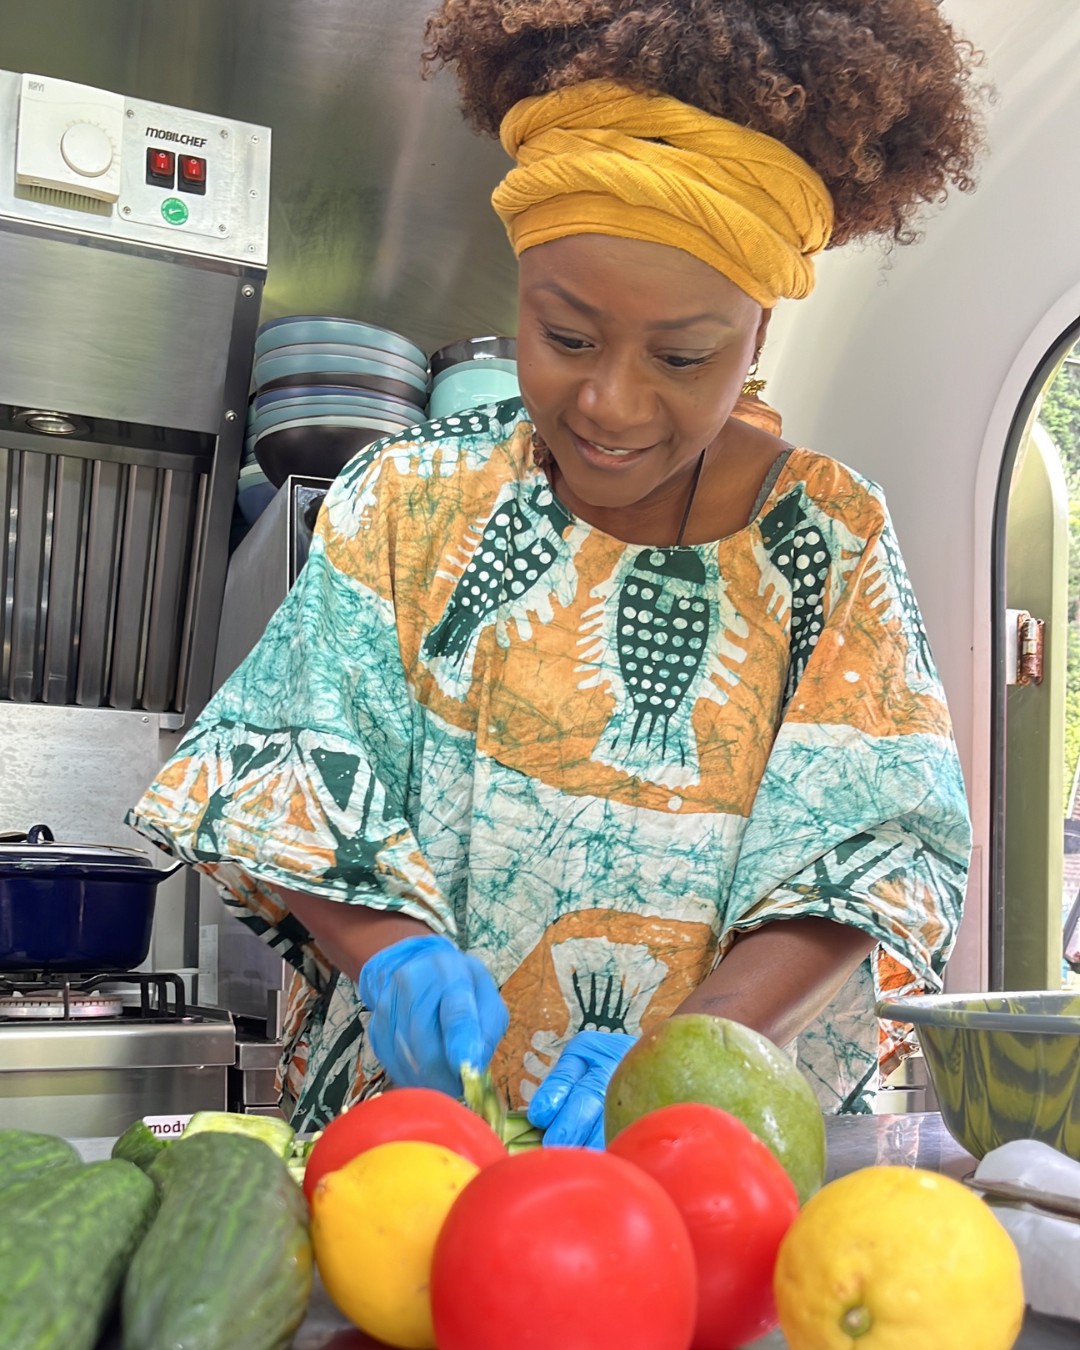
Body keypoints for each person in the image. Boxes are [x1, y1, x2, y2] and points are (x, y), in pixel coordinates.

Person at [128, 0, 984, 1144]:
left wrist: (694, 1049)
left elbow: (868, 863)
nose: (611, 405)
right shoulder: (407, 502)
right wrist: (394, 955)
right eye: (568, 336)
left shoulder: (832, 541)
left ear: (760, 336)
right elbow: (289, 783)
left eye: (684, 355)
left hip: (706, 1152)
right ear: (518, 291)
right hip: (413, 1148)